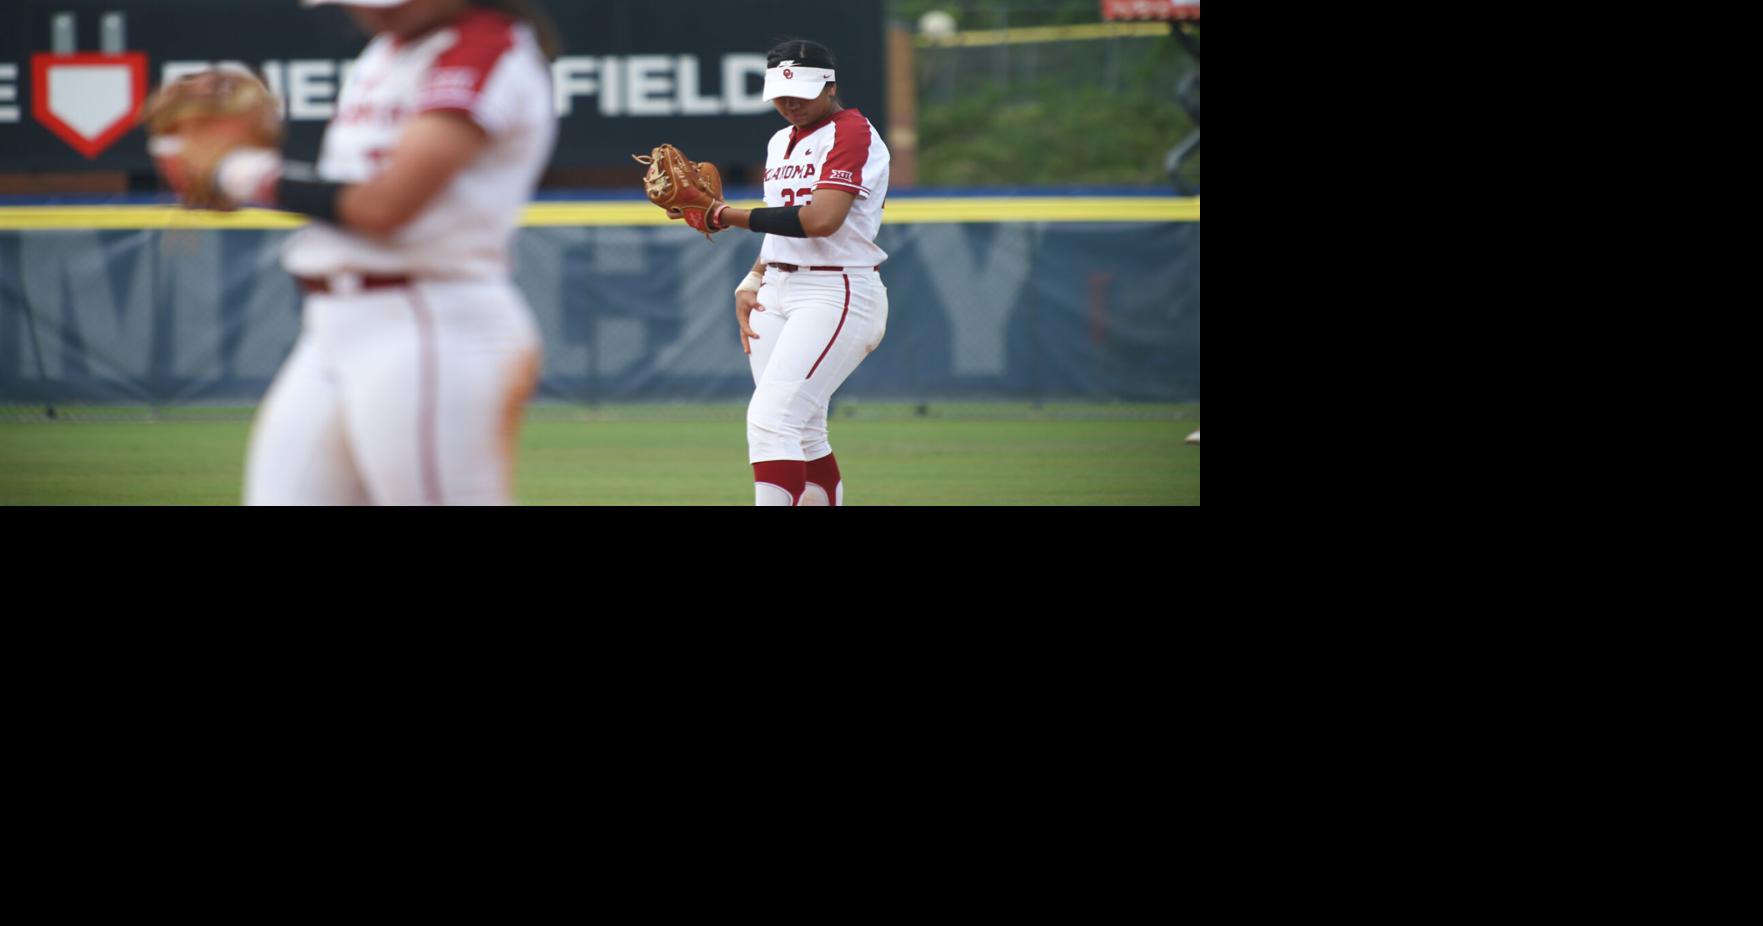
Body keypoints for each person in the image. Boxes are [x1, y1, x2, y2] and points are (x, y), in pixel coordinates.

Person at [153, 0, 559, 505]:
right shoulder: (385, 54)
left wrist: (238, 172)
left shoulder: (485, 50)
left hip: (429, 325)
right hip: (333, 328)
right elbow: (346, 194)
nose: (369, 13)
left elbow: (384, 207)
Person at [675, 40, 890, 506]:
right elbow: (784, 220)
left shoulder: (852, 132)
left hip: (837, 288)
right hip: (779, 286)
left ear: (831, 86)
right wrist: (754, 278)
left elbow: (820, 221)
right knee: (804, 429)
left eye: (802, 91)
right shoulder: (779, 141)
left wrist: (721, 214)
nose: (790, 102)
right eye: (781, 92)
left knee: (773, 420)